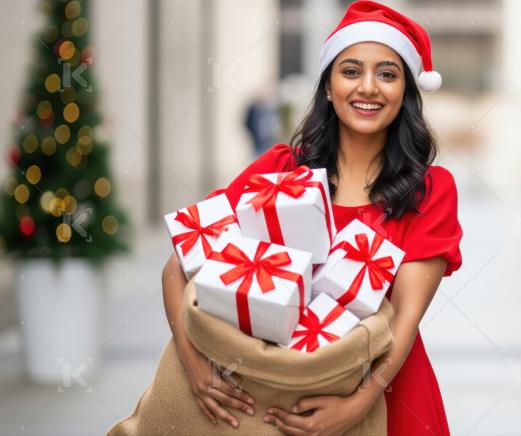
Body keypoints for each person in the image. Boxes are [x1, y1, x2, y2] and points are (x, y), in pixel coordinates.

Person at [161, 1, 462, 434]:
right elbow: (178, 265)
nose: (369, 88)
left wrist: (356, 405)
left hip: (389, 396)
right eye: (351, 71)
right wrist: (194, 366)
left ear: (407, 91)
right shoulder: (280, 171)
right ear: (327, 86)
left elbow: (403, 320)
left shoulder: (429, 191)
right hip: (273, 400)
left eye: (388, 74)